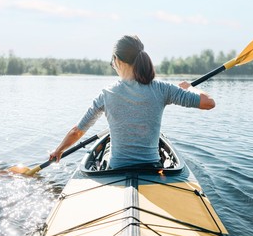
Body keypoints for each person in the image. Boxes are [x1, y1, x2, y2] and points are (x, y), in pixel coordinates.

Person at [49, 35, 215, 169]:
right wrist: (190, 88)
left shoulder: (106, 94)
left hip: (117, 168)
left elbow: (77, 132)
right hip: (151, 167)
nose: (112, 66)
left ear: (117, 60)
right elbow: (209, 103)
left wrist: (59, 151)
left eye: (112, 62)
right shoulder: (162, 89)